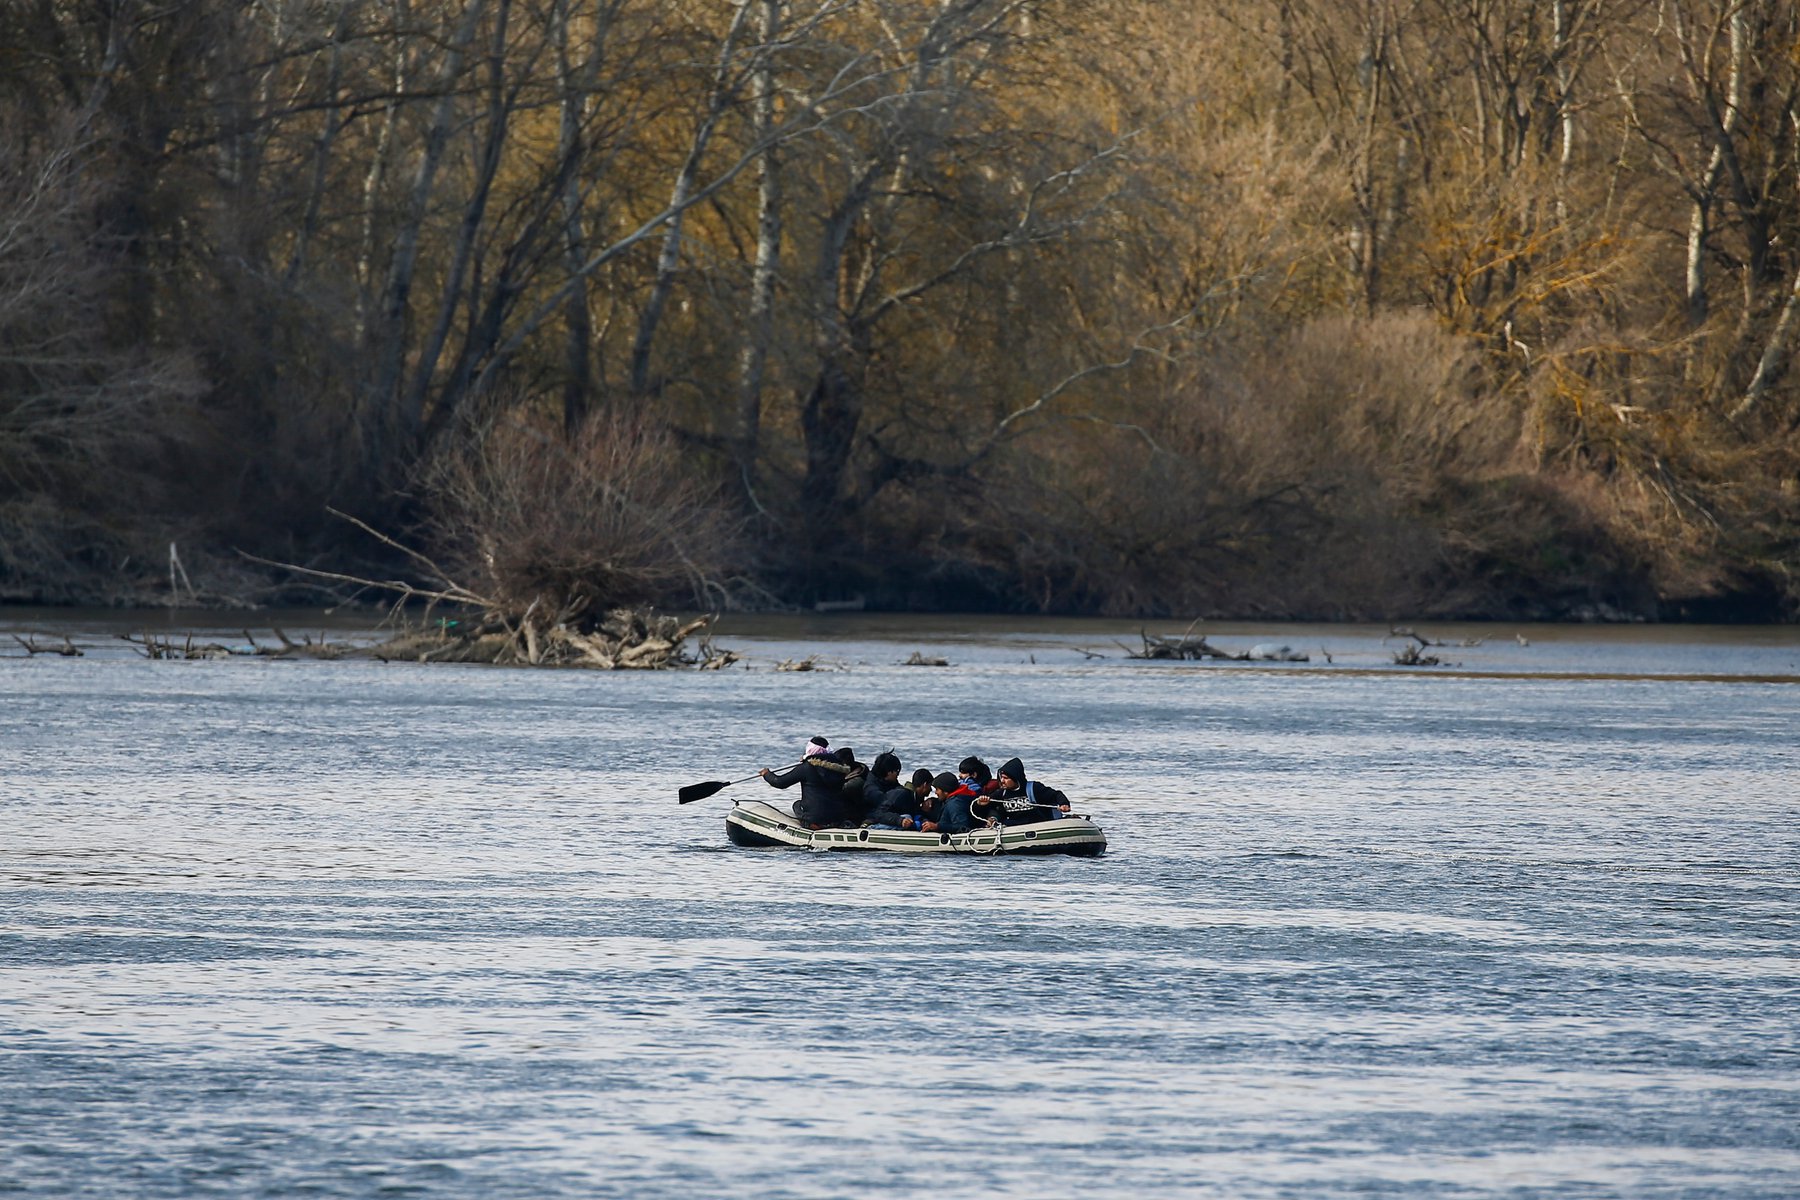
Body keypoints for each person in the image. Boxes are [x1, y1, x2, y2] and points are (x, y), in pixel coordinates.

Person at [760, 736, 854, 827]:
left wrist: (767, 774)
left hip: (816, 818)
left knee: (797, 805)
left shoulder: (806, 768)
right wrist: (807, 760)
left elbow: (780, 782)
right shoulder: (840, 769)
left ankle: (813, 825)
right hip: (837, 817)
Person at [973, 756, 1071, 826]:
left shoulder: (1034, 788)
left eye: (1006, 778)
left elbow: (1056, 795)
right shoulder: (1001, 793)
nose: (1002, 781)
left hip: (1039, 825)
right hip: (1015, 828)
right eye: (1001, 778)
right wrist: (980, 804)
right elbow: (983, 809)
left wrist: (1064, 804)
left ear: (1015, 778)